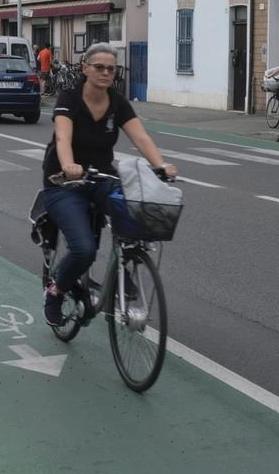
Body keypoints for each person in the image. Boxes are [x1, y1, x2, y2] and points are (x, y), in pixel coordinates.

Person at [40, 42, 178, 326]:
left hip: (102, 177)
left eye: (111, 69)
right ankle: (55, 291)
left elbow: (140, 137)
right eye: (99, 67)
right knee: (84, 250)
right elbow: (63, 137)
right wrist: (68, 166)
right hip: (63, 183)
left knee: (135, 217)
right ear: (85, 68)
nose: (105, 73)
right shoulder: (70, 96)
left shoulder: (117, 102)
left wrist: (160, 165)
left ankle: (126, 265)